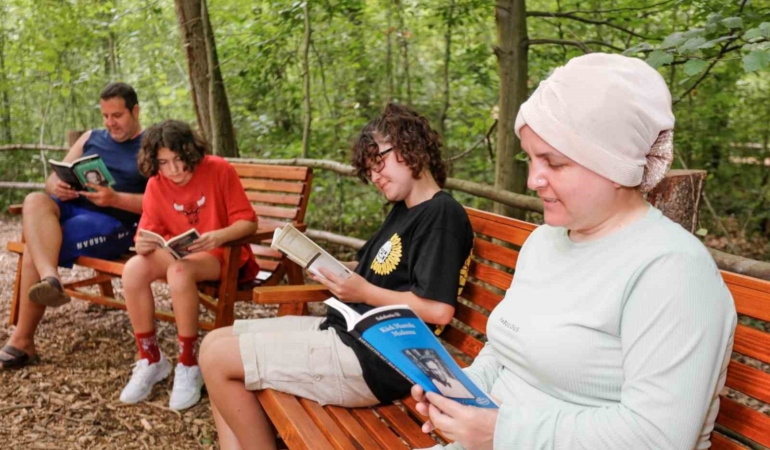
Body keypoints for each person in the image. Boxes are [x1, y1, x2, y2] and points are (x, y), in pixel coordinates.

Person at [410, 53, 737, 450]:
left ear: (616, 165)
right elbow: (507, 353)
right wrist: (459, 396)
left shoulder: (673, 271)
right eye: (530, 158)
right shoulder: (544, 241)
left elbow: (657, 438)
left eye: (555, 163)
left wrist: (502, 432)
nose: (533, 179)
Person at [198, 103, 474, 449]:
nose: (374, 176)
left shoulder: (442, 215)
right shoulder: (403, 211)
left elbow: (438, 310)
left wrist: (363, 290)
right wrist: (324, 266)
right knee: (213, 343)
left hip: (377, 361)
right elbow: (368, 273)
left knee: (218, 361)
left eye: (379, 162)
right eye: (369, 169)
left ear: (409, 147)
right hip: (345, 335)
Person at [1, 82, 147, 371]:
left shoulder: (151, 146)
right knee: (34, 200)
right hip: (73, 207)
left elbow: (161, 202)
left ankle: (22, 340)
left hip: (114, 223)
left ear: (136, 110)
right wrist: (59, 186)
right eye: (105, 116)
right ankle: (50, 279)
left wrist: (116, 198)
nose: (110, 123)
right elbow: (50, 181)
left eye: (117, 116)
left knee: (37, 244)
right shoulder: (92, 137)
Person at [118, 119, 260, 411]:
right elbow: (147, 230)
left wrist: (217, 236)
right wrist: (143, 243)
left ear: (191, 152)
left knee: (179, 271)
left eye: (180, 160)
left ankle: (188, 363)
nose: (174, 170)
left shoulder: (219, 169)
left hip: (221, 254)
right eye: (164, 163)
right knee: (133, 268)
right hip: (178, 252)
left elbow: (248, 222)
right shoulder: (156, 184)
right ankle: (150, 359)